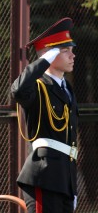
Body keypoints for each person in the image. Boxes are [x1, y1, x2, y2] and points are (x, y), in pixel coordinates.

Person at [11, 18, 78, 213]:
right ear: (50, 54)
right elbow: (18, 90)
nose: (72, 55)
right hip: (45, 176)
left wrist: (72, 185)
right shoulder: (37, 87)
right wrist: (43, 61)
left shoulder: (67, 90)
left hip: (64, 179)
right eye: (65, 51)